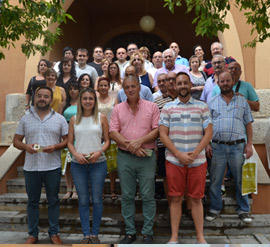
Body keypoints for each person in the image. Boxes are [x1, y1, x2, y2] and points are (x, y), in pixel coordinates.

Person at [159, 72, 212, 244]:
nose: (182, 86)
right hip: (175, 160)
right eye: (179, 83)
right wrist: (179, 154)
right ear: (175, 85)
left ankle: (200, 237)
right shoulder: (168, 108)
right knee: (175, 198)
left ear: (190, 85)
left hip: (198, 161)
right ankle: (174, 237)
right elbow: (163, 135)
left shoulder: (202, 106)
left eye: (185, 83)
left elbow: (208, 132)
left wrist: (195, 153)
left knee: (196, 199)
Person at [13, 86, 68, 244]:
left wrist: (56, 146)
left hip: (52, 167)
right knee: (32, 202)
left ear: (51, 100)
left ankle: (54, 233)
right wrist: (26, 147)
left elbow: (67, 141)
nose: (42, 99)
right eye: (39, 96)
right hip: (31, 168)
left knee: (54, 201)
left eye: (46, 96)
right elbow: (16, 141)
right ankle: (33, 234)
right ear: (35, 98)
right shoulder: (25, 118)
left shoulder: (59, 119)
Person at [110, 75, 160, 244]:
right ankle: (130, 232)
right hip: (125, 158)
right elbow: (113, 132)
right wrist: (132, 146)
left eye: (133, 86)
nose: (130, 89)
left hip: (147, 158)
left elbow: (157, 130)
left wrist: (140, 142)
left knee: (147, 195)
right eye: (127, 87)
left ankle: (147, 232)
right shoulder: (117, 109)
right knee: (127, 196)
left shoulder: (152, 107)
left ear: (139, 88)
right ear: (123, 90)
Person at [205, 71, 254, 224]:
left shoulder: (242, 101)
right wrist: (207, 143)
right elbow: (206, 125)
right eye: (222, 81)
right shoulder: (211, 102)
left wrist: (249, 144)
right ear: (218, 83)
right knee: (215, 180)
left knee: (240, 180)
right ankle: (214, 208)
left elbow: (248, 123)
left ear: (233, 81)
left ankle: (243, 210)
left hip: (237, 147)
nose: (225, 83)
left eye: (228, 80)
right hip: (217, 147)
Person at [68, 87, 110, 244]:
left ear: (95, 101)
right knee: (83, 200)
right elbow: (69, 143)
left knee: (97, 200)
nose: (87, 101)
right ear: (80, 101)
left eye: (90, 98)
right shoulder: (74, 119)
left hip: (98, 163)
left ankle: (95, 233)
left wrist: (99, 152)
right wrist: (76, 155)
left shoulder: (102, 118)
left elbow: (107, 141)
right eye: (84, 98)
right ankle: (86, 234)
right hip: (78, 164)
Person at [154, 72, 178, 219]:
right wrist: (156, 146)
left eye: (172, 79)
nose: (169, 82)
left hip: (184, 144)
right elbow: (156, 126)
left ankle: (187, 207)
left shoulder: (185, 99)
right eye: (166, 80)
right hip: (163, 146)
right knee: (166, 178)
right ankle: (171, 208)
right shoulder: (157, 102)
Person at [96, 77, 118, 200]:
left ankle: (113, 189)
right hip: (97, 135)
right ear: (98, 87)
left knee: (112, 166)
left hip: (111, 134)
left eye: (106, 85)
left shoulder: (114, 100)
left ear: (109, 87)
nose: (103, 87)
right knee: (100, 165)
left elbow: (117, 116)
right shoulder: (94, 100)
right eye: (101, 85)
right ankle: (102, 190)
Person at [62, 81, 80, 200]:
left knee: (76, 164)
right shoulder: (65, 104)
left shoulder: (83, 102)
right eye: (71, 89)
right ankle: (68, 189)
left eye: (75, 89)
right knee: (67, 165)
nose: (73, 91)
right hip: (66, 134)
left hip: (78, 134)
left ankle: (76, 190)